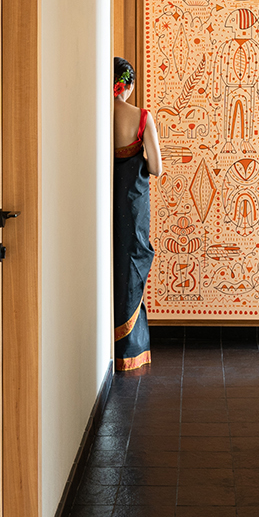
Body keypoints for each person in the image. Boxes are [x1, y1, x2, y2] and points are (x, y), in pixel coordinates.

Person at [113, 56, 162, 372]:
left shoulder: (94, 115)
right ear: (127, 85)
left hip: (104, 201)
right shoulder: (141, 117)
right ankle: (130, 349)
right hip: (131, 203)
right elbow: (156, 167)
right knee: (131, 262)